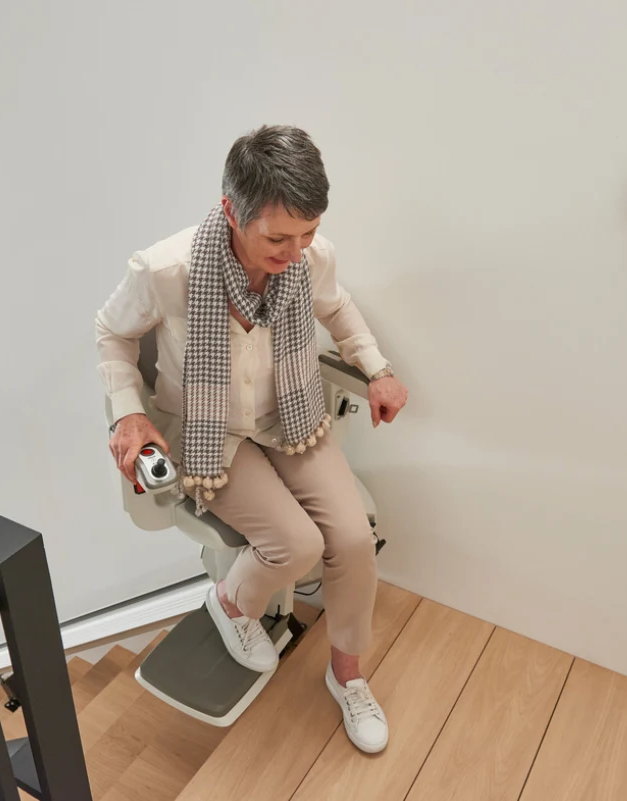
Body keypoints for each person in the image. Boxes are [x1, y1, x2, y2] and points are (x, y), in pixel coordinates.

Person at [94, 125, 408, 753]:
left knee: (352, 539)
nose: (296, 251)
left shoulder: (311, 259)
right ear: (232, 211)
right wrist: (128, 412)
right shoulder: (165, 270)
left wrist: (376, 368)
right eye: (278, 238)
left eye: (308, 233)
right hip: (210, 433)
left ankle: (348, 676)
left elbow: (336, 307)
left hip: (291, 418)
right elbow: (112, 334)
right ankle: (232, 603)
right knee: (295, 545)